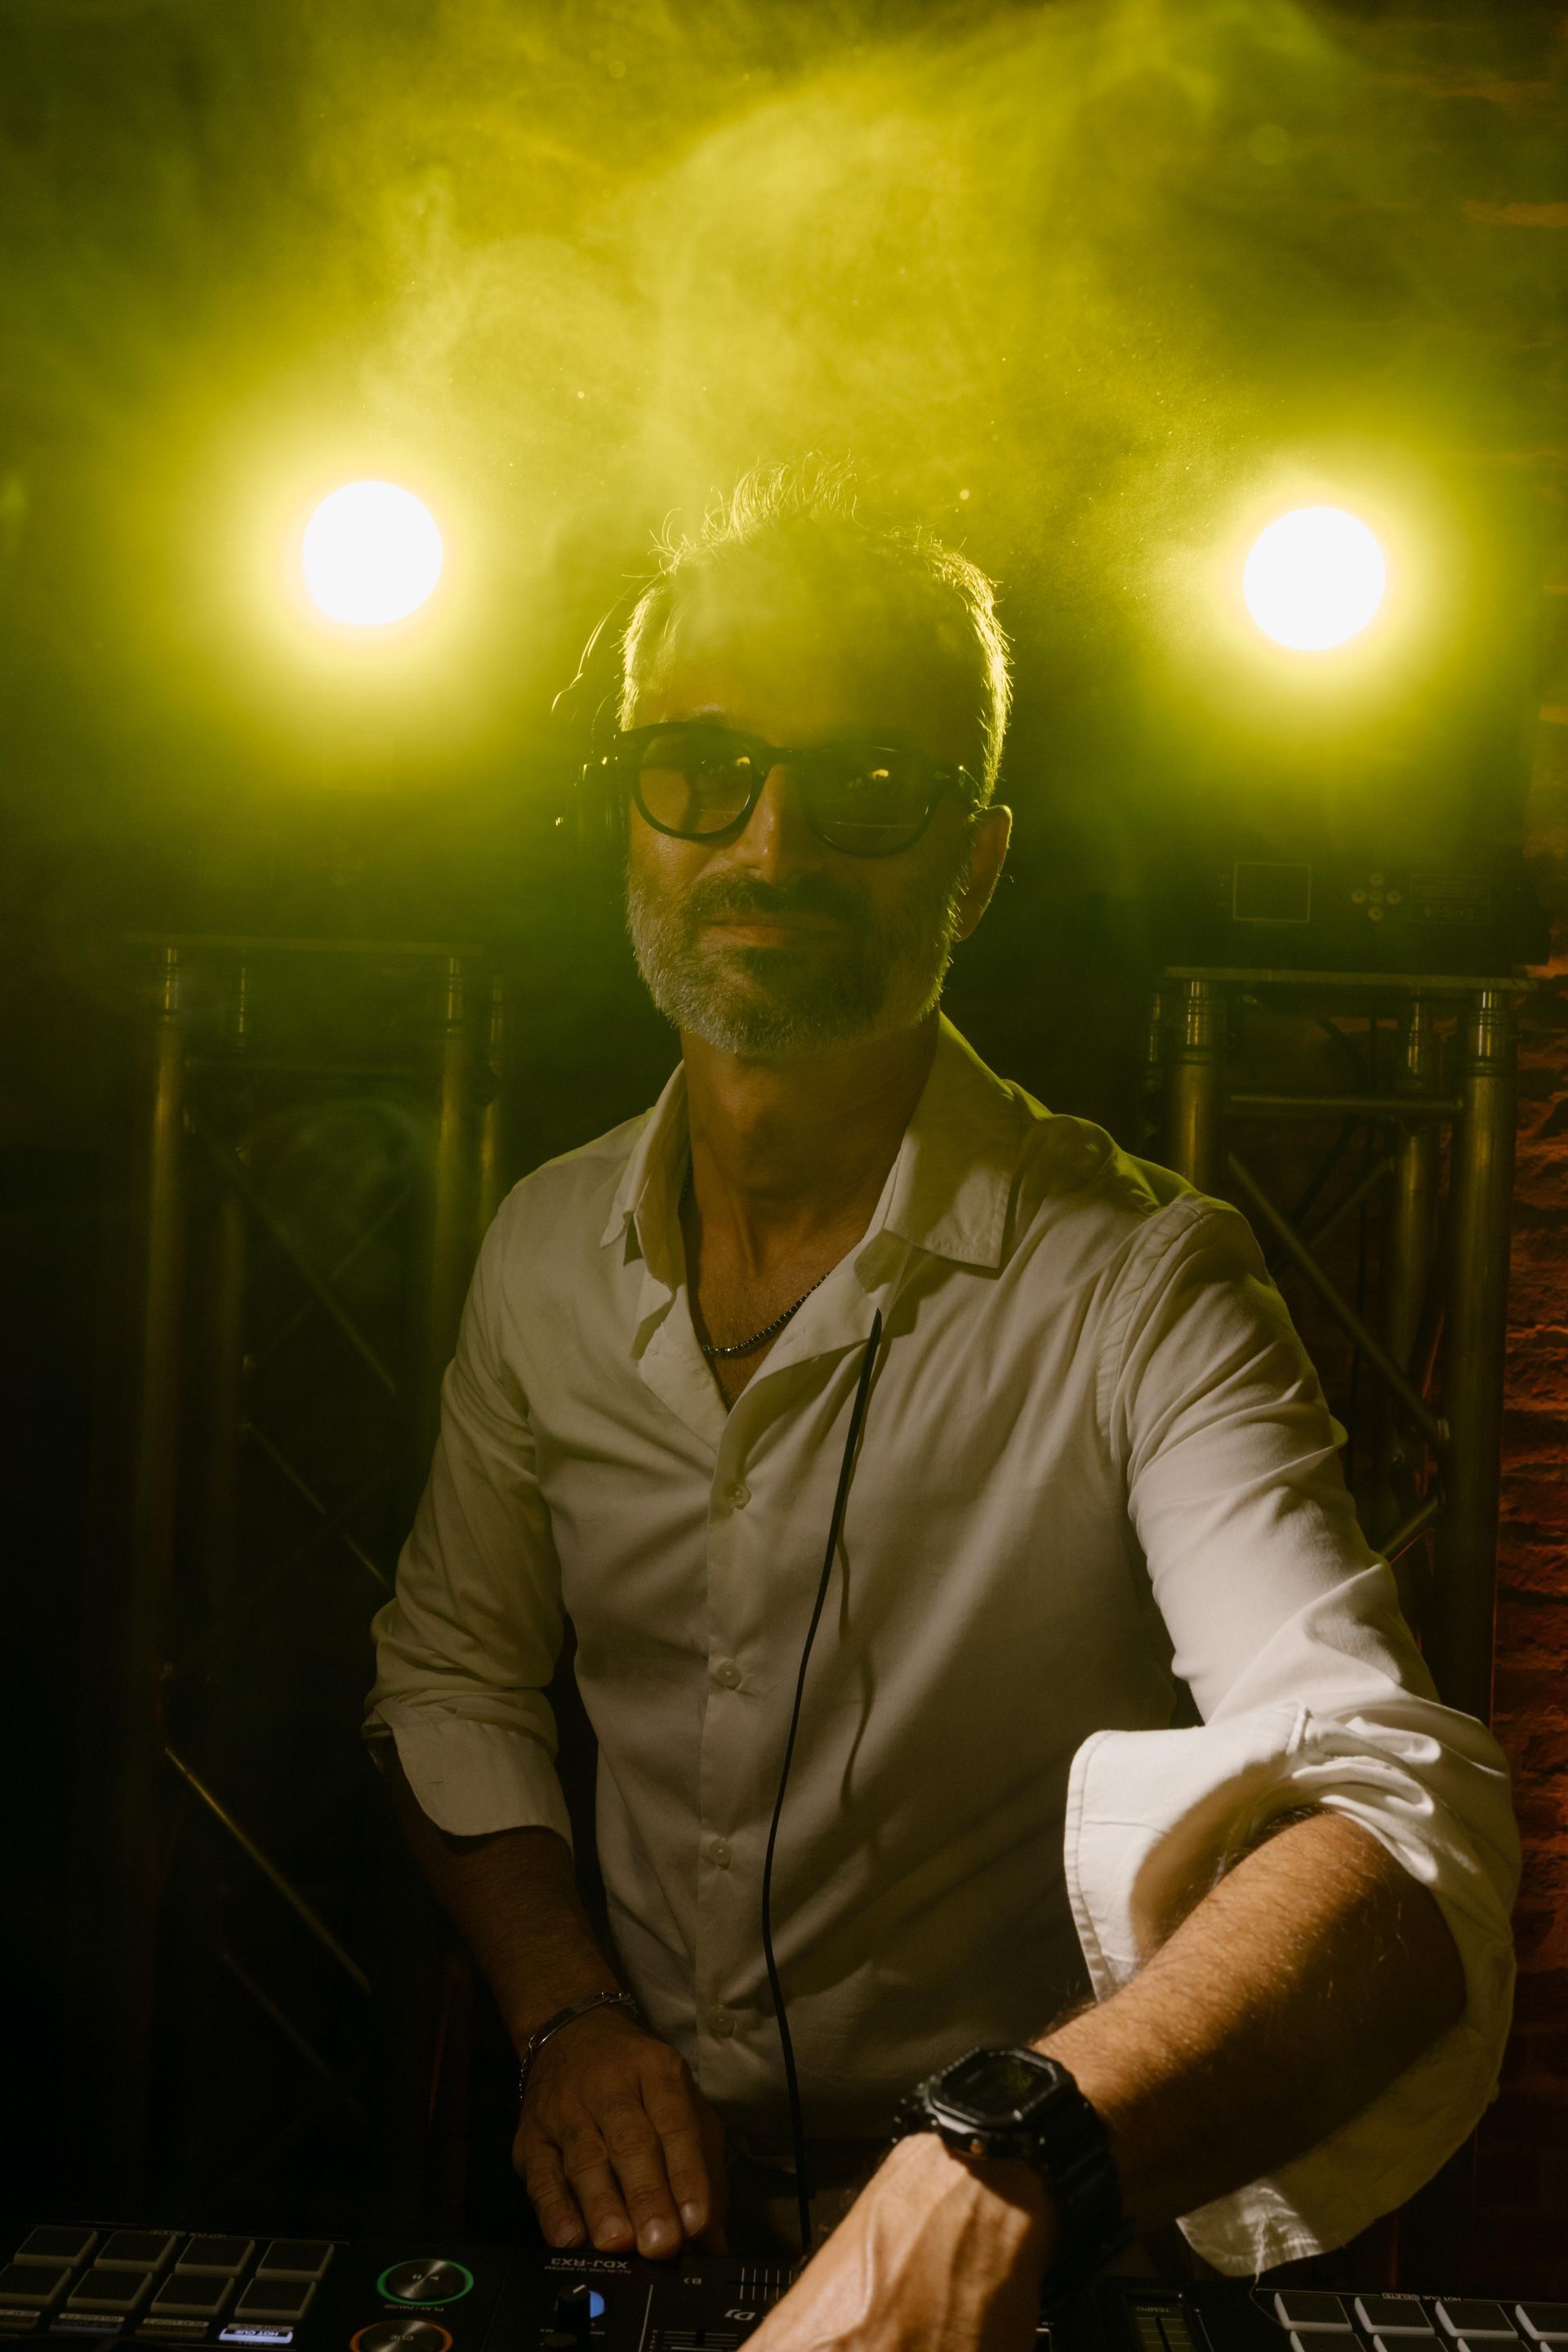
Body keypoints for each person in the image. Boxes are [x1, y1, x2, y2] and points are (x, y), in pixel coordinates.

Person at [365, 462, 1516, 2345]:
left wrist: (1005, 2160)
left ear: (974, 865)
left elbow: (1393, 1816)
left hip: (1043, 2248)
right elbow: (451, 1674)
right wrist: (565, 2015)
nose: (767, 845)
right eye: (700, 769)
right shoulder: (541, 1251)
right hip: (644, 2247)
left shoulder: (1145, 1281)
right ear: (630, 819)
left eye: (869, 787)